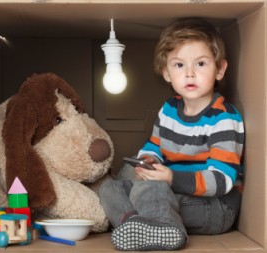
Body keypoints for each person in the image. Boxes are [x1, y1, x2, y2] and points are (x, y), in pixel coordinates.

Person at [99, 17, 244, 251]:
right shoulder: (169, 110)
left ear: (220, 69)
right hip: (168, 193)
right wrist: (149, 162)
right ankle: (134, 225)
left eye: (200, 64)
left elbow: (222, 180)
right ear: (166, 73)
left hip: (215, 207)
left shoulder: (224, 118)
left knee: (151, 188)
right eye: (179, 65)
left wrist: (170, 179)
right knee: (110, 188)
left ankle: (165, 227)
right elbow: (154, 146)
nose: (189, 73)